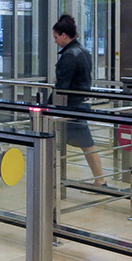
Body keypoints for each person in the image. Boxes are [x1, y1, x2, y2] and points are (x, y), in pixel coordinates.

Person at [53, 13, 106, 188]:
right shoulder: (83, 51)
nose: (55, 41)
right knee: (84, 144)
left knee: (86, 144)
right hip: (81, 103)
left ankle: (100, 180)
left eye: (56, 37)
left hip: (72, 106)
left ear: (64, 35)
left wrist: (48, 106)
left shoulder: (69, 56)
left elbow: (62, 86)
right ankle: (98, 180)